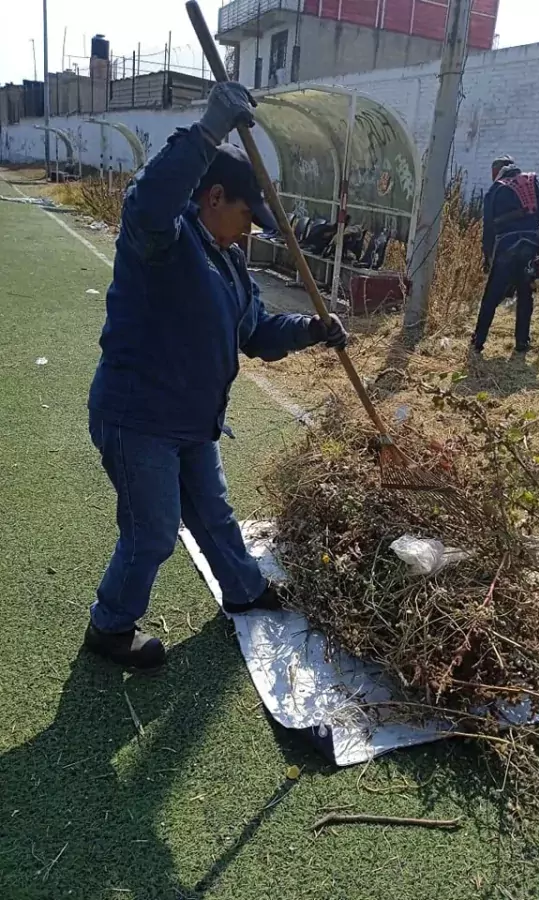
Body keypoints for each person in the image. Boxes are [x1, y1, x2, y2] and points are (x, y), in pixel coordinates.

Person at [84, 82, 347, 671]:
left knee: (212, 512)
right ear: (214, 197)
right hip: (139, 417)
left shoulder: (228, 259)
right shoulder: (162, 240)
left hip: (193, 421)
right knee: (152, 533)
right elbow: (149, 200)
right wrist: (207, 131)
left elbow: (254, 331)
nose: (250, 229)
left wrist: (311, 329)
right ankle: (109, 627)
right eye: (246, 215)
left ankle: (244, 589)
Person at [471, 154, 539, 355]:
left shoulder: (496, 189)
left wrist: (487, 256)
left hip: (506, 246)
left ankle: (478, 340)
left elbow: (489, 229)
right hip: (530, 244)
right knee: (525, 293)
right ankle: (522, 342)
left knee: (492, 295)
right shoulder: (532, 181)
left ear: (496, 171)